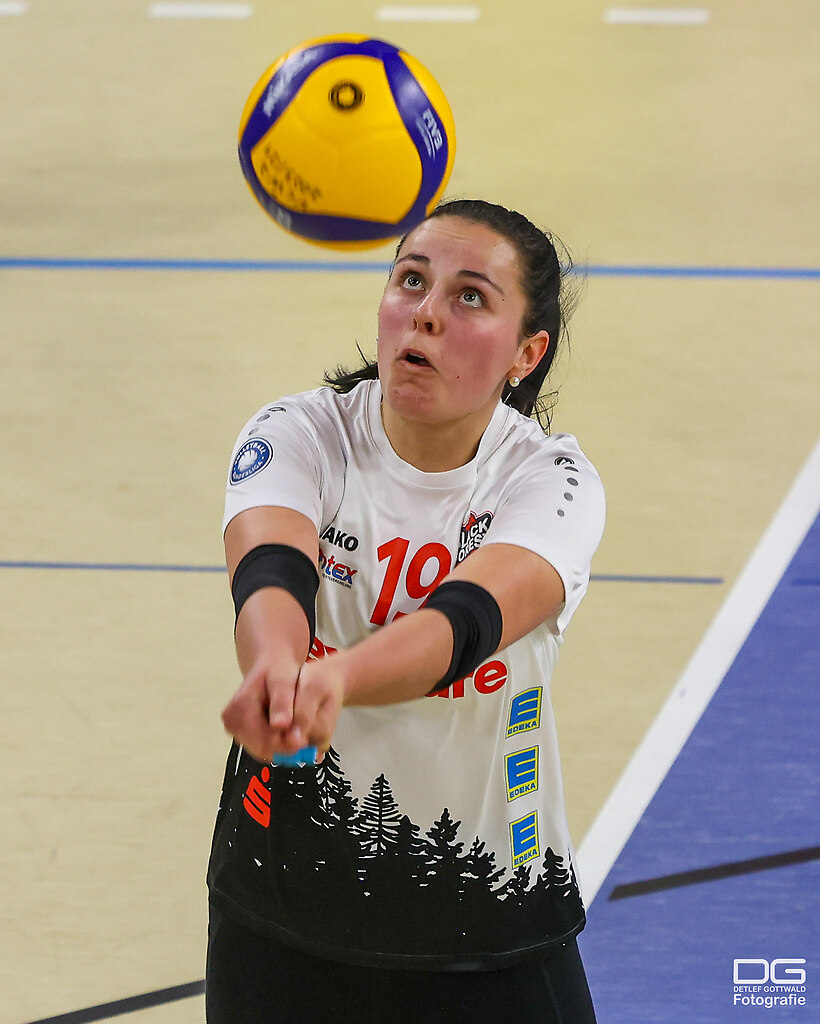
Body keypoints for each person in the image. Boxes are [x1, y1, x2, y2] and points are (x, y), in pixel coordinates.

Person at [206, 198, 606, 1023]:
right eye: (411, 281)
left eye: (470, 297)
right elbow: (271, 571)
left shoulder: (552, 483)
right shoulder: (299, 434)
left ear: (526, 352)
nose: (425, 313)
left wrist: (335, 681)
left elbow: (463, 623)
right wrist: (276, 665)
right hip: (282, 909)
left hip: (487, 916)